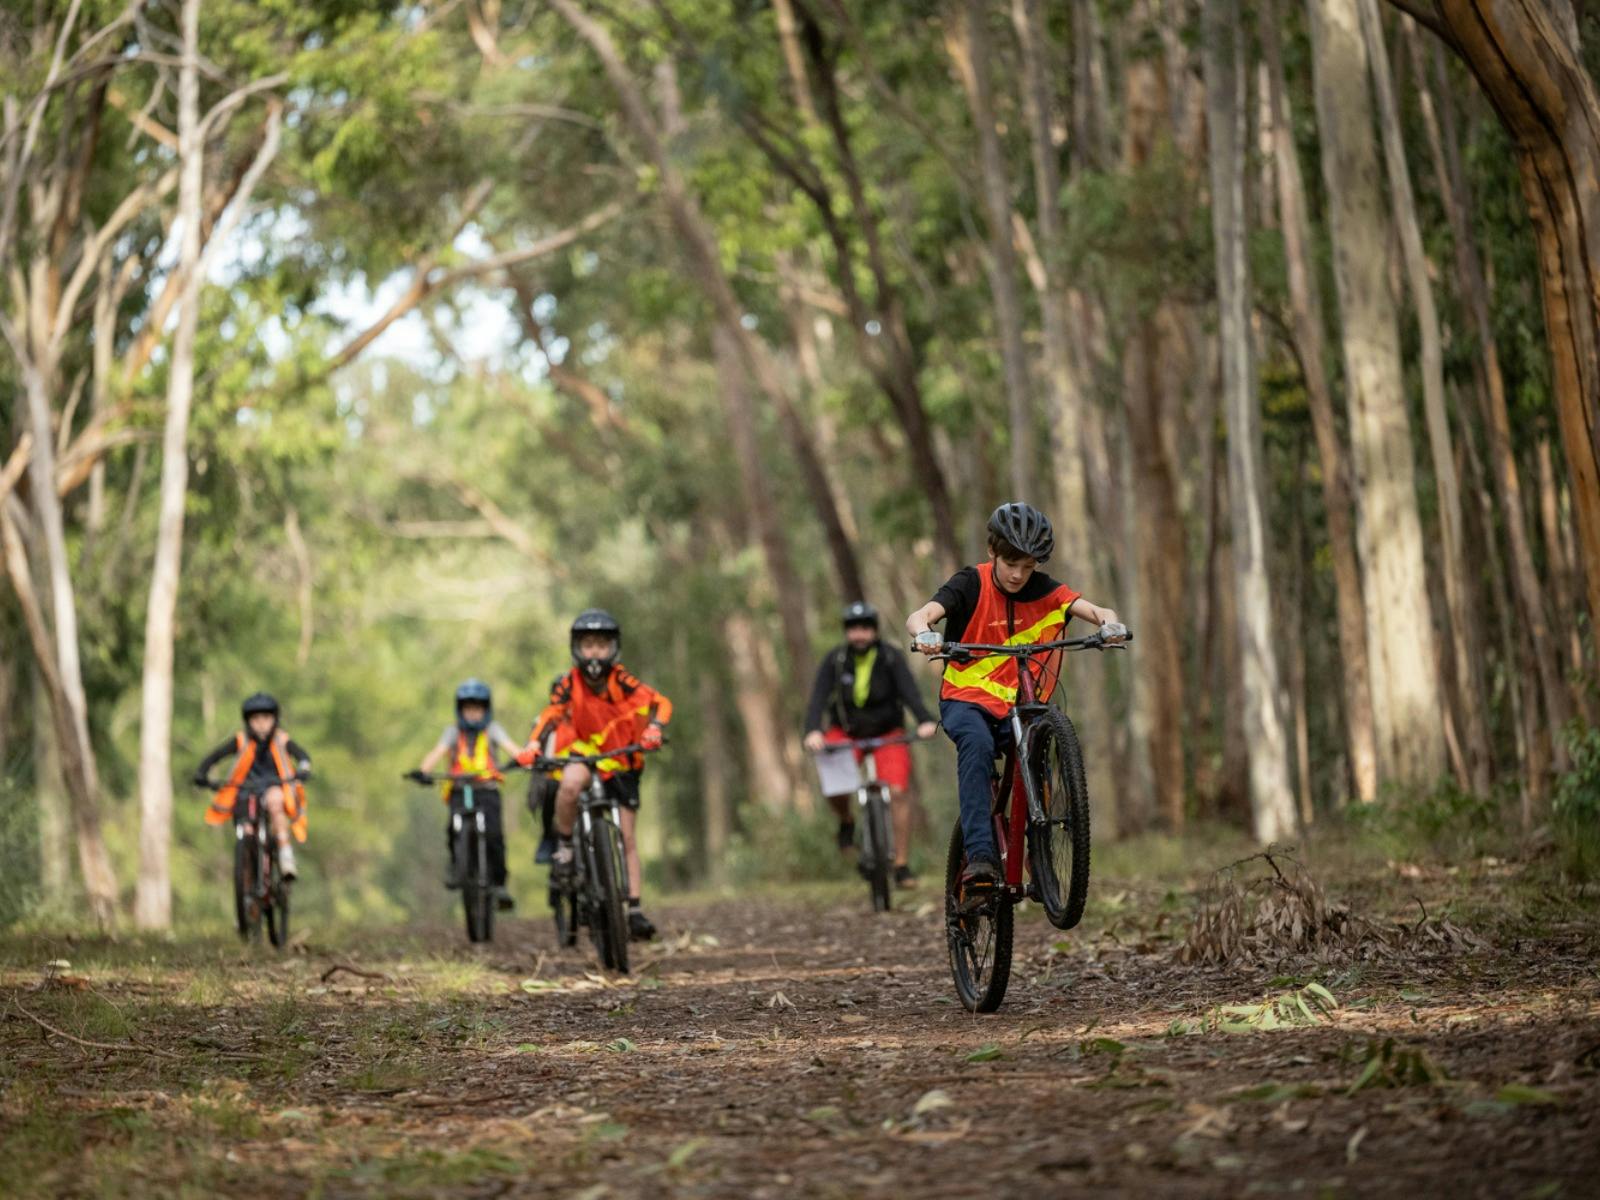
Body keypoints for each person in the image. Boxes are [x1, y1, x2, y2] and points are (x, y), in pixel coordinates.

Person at [906, 502, 1126, 893]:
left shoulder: (1046, 589)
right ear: (993, 551)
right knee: (975, 745)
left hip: (1019, 707)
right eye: (1011, 563)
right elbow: (921, 615)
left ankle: (1038, 857)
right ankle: (981, 859)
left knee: (1039, 749)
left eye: (1028, 566)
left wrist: (1110, 624)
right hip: (965, 698)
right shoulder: (970, 583)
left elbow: (1098, 610)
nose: (1018, 575)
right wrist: (924, 633)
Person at [519, 609, 672, 941]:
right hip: (585, 757)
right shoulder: (567, 683)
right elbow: (551, 713)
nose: (594, 653)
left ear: (613, 648)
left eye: (601, 646)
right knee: (569, 784)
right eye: (587, 645)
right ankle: (563, 847)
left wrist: (655, 729)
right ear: (576, 648)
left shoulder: (622, 680)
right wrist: (533, 744)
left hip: (622, 762)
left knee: (628, 838)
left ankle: (633, 910)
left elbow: (660, 702)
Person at [803, 600, 938, 888]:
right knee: (834, 781)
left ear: (874, 630)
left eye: (865, 628)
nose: (859, 634)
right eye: (853, 629)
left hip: (888, 733)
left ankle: (900, 864)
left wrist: (925, 720)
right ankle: (847, 820)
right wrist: (813, 730)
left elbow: (910, 693)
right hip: (846, 732)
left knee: (899, 792)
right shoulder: (835, 659)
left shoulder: (890, 657)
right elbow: (817, 698)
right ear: (846, 632)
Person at [411, 679, 521, 910]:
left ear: (486, 709)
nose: (473, 713)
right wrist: (423, 771)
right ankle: (456, 866)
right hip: (460, 790)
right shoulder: (453, 732)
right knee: (453, 828)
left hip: (487, 790)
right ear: (460, 710)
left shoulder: (493, 730)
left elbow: (512, 748)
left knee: (495, 836)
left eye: (477, 708)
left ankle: (499, 884)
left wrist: (523, 759)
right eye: (468, 708)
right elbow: (437, 752)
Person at [195, 692, 312, 880]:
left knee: (275, 800)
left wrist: (304, 769)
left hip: (275, 786)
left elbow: (303, 757)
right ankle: (248, 877)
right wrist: (202, 772)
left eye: (266, 718)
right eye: (255, 718)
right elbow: (215, 756)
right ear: (248, 721)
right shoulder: (242, 740)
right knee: (246, 828)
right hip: (246, 789)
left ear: (274, 719)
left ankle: (285, 854)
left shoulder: (281, 740)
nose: (261, 723)